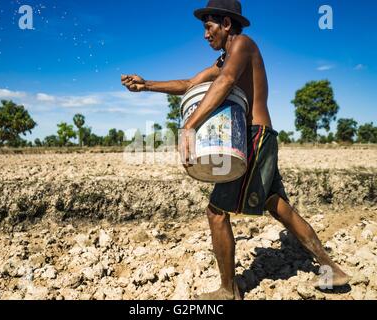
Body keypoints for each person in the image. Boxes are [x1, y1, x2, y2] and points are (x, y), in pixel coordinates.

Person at [121, 0, 350, 300]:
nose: (205, 35)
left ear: (226, 24)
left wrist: (189, 124)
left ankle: (229, 290)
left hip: (253, 137)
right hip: (262, 137)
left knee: (216, 212)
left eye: (208, 27)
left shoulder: (242, 44)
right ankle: (333, 269)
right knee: (277, 205)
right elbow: (191, 83)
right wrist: (147, 84)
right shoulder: (225, 58)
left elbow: (226, 82)